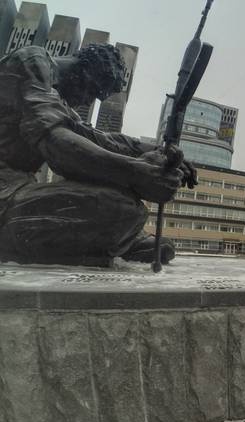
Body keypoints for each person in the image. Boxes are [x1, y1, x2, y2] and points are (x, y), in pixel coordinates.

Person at [0, 44, 195, 267]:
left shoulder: (58, 102)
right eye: (92, 91)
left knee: (127, 209)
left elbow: (99, 139)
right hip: (4, 194)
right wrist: (135, 173)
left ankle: (113, 239)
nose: (87, 101)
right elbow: (56, 142)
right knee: (120, 207)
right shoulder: (31, 61)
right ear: (82, 70)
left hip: (16, 190)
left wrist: (157, 151)